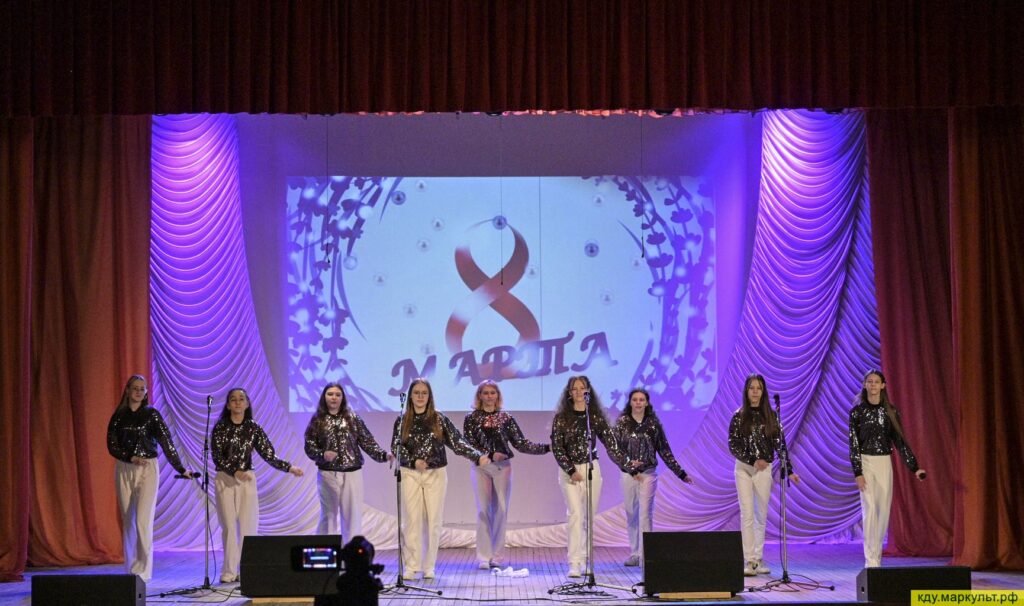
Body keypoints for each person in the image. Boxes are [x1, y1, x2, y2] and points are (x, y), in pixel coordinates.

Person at [391, 378, 489, 581]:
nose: (420, 396)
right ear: (410, 396)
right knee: (411, 520)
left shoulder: (439, 419)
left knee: (433, 521)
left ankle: (429, 566)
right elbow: (396, 447)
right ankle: (411, 566)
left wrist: (476, 456)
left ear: (429, 396)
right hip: (410, 473)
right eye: (416, 392)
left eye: (424, 393)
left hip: (435, 473)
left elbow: (457, 442)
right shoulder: (402, 420)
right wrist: (413, 461)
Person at [106, 374, 194, 582]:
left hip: (147, 468)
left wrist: (180, 468)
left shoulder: (151, 414)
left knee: (142, 520)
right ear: (128, 390)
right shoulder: (119, 416)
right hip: (125, 468)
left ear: (146, 392)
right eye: (135, 388)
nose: (139, 391)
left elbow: (166, 441)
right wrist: (129, 457)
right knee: (128, 519)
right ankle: (131, 568)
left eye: (142, 388)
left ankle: (143, 571)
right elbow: (112, 445)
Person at [211, 387, 304, 583]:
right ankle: (229, 571)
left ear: (247, 404)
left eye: (241, 399)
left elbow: (269, 454)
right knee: (229, 526)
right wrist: (234, 471)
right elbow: (217, 456)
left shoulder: (253, 428)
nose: (238, 402)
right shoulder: (220, 427)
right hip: (225, 479)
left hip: (247, 479)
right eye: (233, 399)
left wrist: (289, 467)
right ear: (228, 405)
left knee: (248, 527)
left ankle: (246, 570)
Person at [462, 380, 551, 570]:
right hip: (480, 466)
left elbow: (520, 443)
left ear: (498, 395)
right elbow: (468, 444)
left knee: (501, 510)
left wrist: (548, 448)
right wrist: (489, 455)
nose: (489, 396)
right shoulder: (471, 418)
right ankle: (484, 556)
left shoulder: (506, 418)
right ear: (479, 396)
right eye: (485, 393)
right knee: (483, 510)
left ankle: (497, 556)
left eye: (492, 392)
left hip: (502, 468)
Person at [849, 370, 926, 569]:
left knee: (882, 512)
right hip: (866, 461)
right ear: (865, 385)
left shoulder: (890, 412)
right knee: (869, 511)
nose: (873, 385)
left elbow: (899, 441)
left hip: (884, 462)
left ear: (883, 385)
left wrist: (914, 467)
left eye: (877, 382)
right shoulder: (857, 413)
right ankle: (870, 561)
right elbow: (853, 445)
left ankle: (877, 557)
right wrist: (858, 472)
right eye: (870, 381)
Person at [550, 375, 624, 578]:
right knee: (575, 514)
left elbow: (611, 444)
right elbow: (558, 448)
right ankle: (574, 562)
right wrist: (571, 470)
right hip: (569, 471)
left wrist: (627, 465)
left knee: (588, 517)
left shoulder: (594, 417)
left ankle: (585, 559)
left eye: (582, 388)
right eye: (574, 389)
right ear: (569, 393)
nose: (578, 392)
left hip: (591, 468)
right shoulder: (562, 418)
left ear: (588, 391)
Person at [728, 374, 799, 577]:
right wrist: (752, 460)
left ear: (763, 391)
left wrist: (789, 470)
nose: (755, 391)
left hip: (764, 469)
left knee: (761, 514)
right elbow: (733, 445)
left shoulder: (771, 416)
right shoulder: (739, 415)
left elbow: (780, 444)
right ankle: (749, 560)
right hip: (744, 468)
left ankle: (758, 558)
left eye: (758, 388)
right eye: (752, 388)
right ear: (746, 391)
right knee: (747, 514)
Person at [614, 388, 694, 567]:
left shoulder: (653, 425)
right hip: (628, 474)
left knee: (645, 514)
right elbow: (616, 451)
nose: (638, 403)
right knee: (631, 513)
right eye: (635, 399)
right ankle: (634, 553)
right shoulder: (622, 423)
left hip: (648, 474)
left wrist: (681, 473)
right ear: (630, 402)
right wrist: (628, 464)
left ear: (647, 403)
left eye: (641, 399)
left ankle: (646, 554)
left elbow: (665, 451)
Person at [304, 382, 392, 540]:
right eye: (330, 394)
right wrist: (322, 454)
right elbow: (309, 446)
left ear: (342, 398)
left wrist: (383, 455)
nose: (334, 397)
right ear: (324, 397)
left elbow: (367, 441)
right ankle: (325, 550)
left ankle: (350, 551)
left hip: (352, 472)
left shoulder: (352, 418)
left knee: (352, 515)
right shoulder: (317, 420)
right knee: (328, 515)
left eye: (338, 395)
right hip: (328, 473)